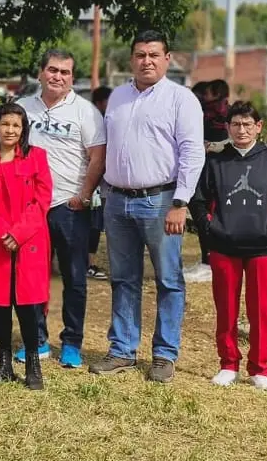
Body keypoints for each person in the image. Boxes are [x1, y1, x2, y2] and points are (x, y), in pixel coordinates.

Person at [91, 29, 204, 383]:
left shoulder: (180, 99)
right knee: (123, 279)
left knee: (169, 279)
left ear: (167, 58)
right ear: (131, 59)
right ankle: (122, 349)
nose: (147, 61)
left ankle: (164, 354)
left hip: (162, 201)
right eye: (140, 54)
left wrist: (180, 202)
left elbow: (192, 152)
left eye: (154, 54)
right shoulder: (118, 98)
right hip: (118, 201)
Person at [189, 102, 267, 391]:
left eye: (248, 124)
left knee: (261, 310)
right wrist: (210, 229)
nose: (242, 130)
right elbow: (198, 200)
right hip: (224, 247)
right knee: (225, 308)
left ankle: (260, 368)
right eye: (236, 124)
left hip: (263, 248)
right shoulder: (215, 162)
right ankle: (228, 364)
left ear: (258, 127)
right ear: (227, 128)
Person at [18, 49, 106, 369]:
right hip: (30, 207)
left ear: (73, 77)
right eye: (52, 70)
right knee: (33, 277)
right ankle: (36, 341)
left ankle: (71, 343)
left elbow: (97, 157)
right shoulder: (23, 108)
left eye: (65, 72)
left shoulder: (86, 112)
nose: (58, 76)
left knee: (74, 278)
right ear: (40, 73)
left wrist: (84, 195)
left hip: (69, 206)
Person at [0, 102, 52, 390]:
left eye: (16, 125)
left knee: (28, 304)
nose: (10, 130)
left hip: (29, 241)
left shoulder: (36, 157)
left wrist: (18, 233)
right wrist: (2, 231)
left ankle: (33, 363)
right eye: (5, 124)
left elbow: (42, 199)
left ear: (23, 129)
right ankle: (3, 362)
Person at [185, 78, 232, 284]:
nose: (203, 98)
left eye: (206, 94)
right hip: (200, 171)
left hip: (212, 174)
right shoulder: (207, 115)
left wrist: (209, 145)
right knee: (200, 214)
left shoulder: (224, 116)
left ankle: (210, 263)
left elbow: (232, 142)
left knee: (204, 214)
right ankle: (207, 260)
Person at [87, 85, 113, 280]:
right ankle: (88, 264)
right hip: (93, 184)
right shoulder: (95, 123)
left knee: (96, 226)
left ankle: (90, 262)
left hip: (103, 185)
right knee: (92, 226)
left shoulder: (109, 121)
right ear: (100, 103)